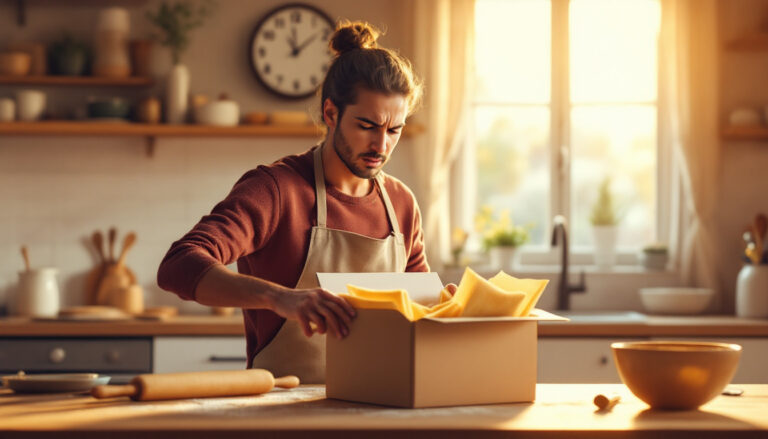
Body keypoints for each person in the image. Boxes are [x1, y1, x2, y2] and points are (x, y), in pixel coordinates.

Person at [157, 21, 451, 384]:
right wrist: (279, 298)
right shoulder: (277, 189)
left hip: (379, 405)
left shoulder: (401, 204)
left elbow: (416, 314)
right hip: (284, 411)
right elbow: (177, 264)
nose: (381, 146)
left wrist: (446, 308)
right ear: (331, 114)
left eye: (394, 130)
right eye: (366, 126)